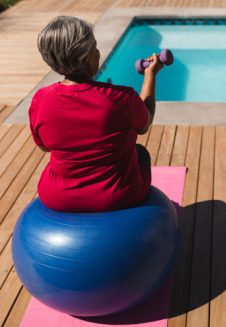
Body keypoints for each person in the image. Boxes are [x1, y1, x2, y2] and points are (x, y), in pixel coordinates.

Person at [29, 16, 163, 212]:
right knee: (140, 152)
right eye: (95, 48)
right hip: (119, 195)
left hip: (58, 197)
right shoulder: (121, 98)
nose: (98, 52)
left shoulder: (41, 99)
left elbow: (44, 147)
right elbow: (145, 124)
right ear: (85, 58)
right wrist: (150, 76)